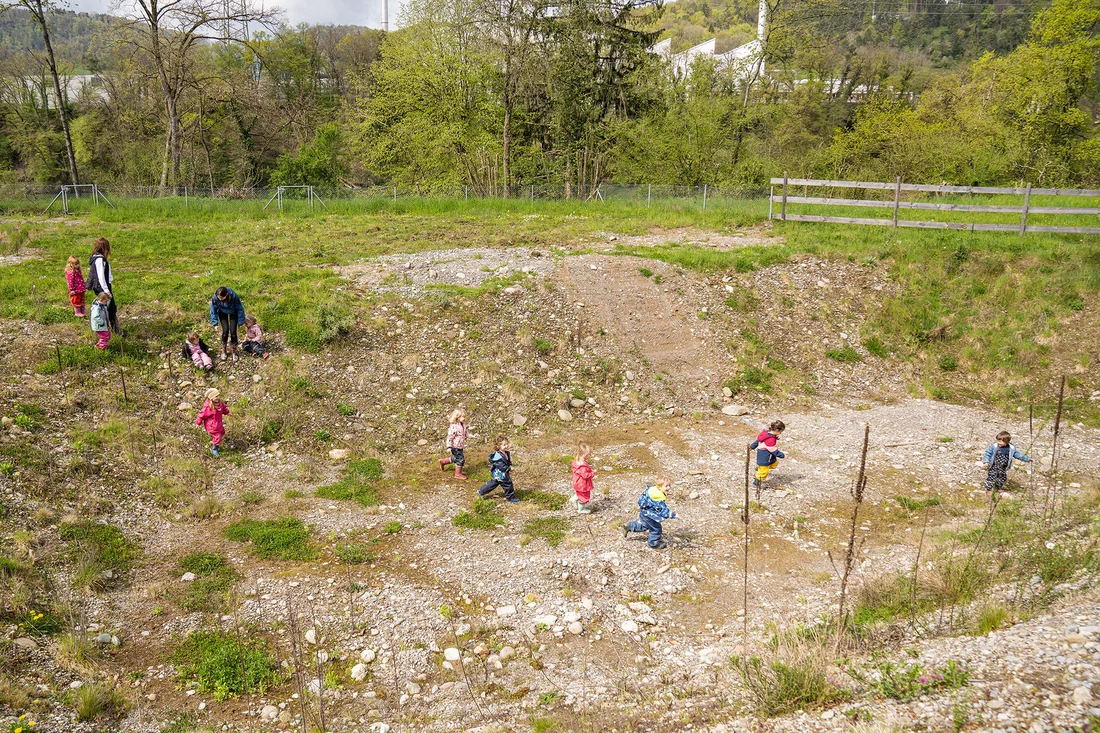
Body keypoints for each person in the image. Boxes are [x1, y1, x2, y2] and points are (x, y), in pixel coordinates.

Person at [622, 476, 676, 550]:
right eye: (666, 486)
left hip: (644, 511)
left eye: (669, 485)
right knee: (656, 529)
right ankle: (653, 543)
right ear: (659, 487)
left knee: (644, 525)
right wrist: (673, 515)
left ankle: (630, 526)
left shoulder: (652, 490)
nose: (668, 488)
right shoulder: (658, 497)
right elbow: (663, 510)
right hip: (651, 515)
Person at [87, 237, 120, 333]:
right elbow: (101, 276)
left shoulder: (98, 258)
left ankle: (108, 329)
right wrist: (106, 290)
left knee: (107, 308)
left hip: (103, 286)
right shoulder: (99, 260)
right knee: (111, 308)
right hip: (102, 287)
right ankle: (114, 331)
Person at [983, 430, 1030, 496]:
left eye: (1000, 441)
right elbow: (988, 453)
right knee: (991, 477)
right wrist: (986, 461)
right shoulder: (994, 446)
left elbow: (1018, 455)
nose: (998, 442)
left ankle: (998, 487)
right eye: (997, 440)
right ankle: (989, 489)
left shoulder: (1011, 448)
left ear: (1006, 442)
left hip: (1003, 467)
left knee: (1002, 478)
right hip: (994, 465)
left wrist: (1027, 458)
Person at [209, 286, 246, 363]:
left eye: (221, 298)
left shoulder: (234, 297)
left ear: (226, 295)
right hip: (222, 312)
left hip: (233, 312)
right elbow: (213, 310)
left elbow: (240, 308)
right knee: (225, 330)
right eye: (219, 297)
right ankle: (224, 350)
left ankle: (234, 351)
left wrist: (240, 321)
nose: (219, 299)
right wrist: (215, 323)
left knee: (233, 332)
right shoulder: (215, 298)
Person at [478, 434, 518, 502]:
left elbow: (508, 461)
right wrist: (509, 468)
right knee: (508, 484)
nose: (506, 446)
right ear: (498, 446)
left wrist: (510, 465)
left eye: (507, 444)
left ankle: (481, 491)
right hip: (501, 474)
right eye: (504, 445)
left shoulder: (506, 453)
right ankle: (510, 498)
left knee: (493, 483)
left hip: (498, 474)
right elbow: (502, 467)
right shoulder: (498, 457)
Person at [750, 420, 786, 490]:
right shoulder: (770, 440)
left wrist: (752, 446)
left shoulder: (766, 434)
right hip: (765, 458)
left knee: (775, 464)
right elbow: (774, 451)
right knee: (763, 472)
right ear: (776, 430)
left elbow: (758, 441)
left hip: (769, 458)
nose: (780, 433)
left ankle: (760, 470)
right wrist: (783, 455)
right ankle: (756, 484)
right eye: (780, 432)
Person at [195, 388, 229, 457]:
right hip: (211, 425)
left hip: (218, 423)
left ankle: (216, 442)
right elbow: (201, 415)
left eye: (218, 395)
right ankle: (214, 449)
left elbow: (224, 408)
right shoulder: (208, 407)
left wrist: (227, 412)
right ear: (211, 398)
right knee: (218, 436)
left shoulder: (220, 403)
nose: (217, 398)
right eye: (215, 396)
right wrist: (198, 422)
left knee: (222, 432)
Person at [440, 408, 471, 480]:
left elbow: (465, 432)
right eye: (462, 417)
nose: (464, 418)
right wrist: (449, 447)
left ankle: (443, 461)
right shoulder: (454, 427)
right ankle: (458, 474)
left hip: (460, 445)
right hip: (455, 446)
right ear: (457, 418)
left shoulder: (463, 424)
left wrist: (470, 436)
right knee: (461, 459)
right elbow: (450, 437)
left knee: (457, 458)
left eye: (464, 416)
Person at [569, 444, 596, 514]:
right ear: (585, 455)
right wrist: (593, 473)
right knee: (584, 496)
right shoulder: (582, 466)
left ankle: (573, 499)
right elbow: (585, 475)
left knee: (579, 493)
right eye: (589, 454)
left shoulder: (577, 462)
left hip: (577, 483)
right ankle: (581, 509)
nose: (590, 455)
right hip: (582, 484)